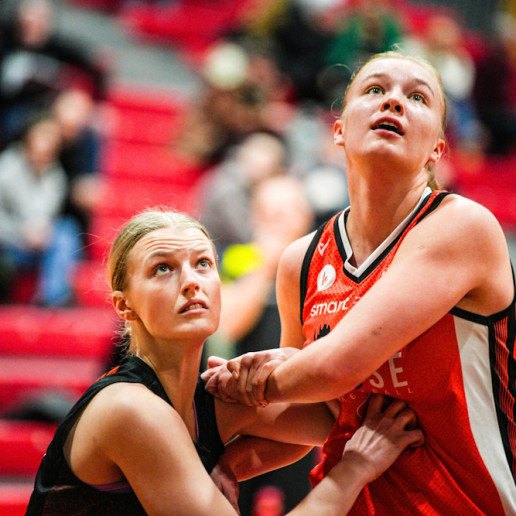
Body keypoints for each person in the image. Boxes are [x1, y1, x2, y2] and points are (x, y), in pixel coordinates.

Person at [203, 51, 516, 515]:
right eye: (375, 90)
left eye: (417, 97)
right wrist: (231, 461)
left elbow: (333, 370)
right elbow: (317, 410)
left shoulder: (463, 227)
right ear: (339, 130)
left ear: (437, 149)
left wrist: (246, 383)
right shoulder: (301, 260)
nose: (393, 101)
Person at [25, 208, 424, 515]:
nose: (191, 281)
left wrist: (288, 363)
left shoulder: (211, 398)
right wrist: (352, 470)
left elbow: (338, 418)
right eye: (163, 268)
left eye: (203, 263)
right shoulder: (130, 409)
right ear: (124, 306)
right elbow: (348, 435)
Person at [0, 116, 81, 306]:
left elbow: (48, 215)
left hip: (40, 243)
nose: (47, 143)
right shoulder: (6, 168)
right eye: (43, 136)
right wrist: (20, 232)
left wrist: (42, 230)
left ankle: (54, 298)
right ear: (29, 137)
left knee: (67, 230)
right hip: (9, 242)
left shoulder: (56, 175)